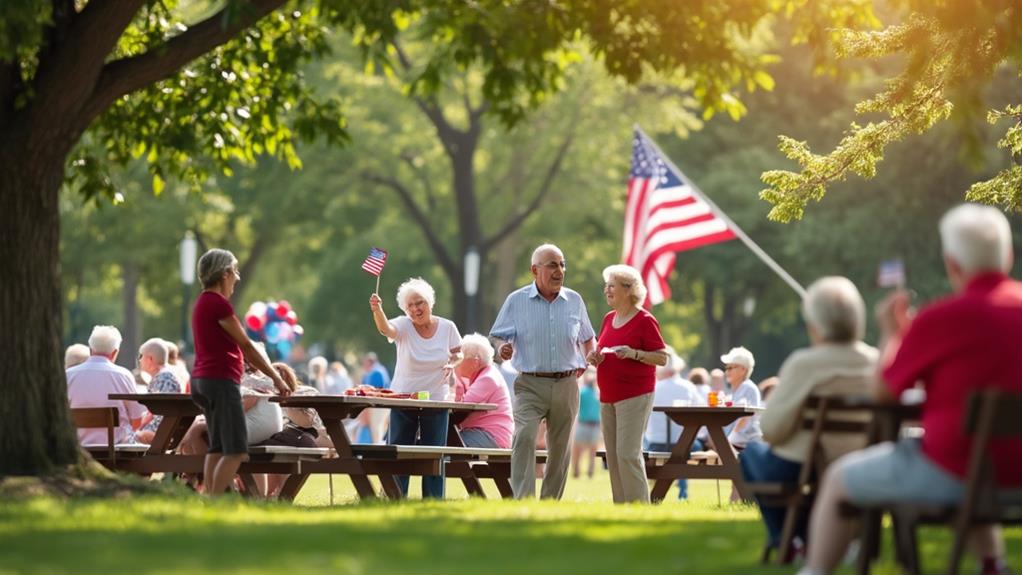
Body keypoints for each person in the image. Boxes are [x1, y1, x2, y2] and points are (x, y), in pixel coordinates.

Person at [798, 204, 1022, 575]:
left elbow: (883, 392)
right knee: (980, 455)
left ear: (952, 263)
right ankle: (991, 564)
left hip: (956, 471)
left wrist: (891, 335)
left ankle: (815, 571)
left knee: (838, 478)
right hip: (1009, 467)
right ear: (1008, 255)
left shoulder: (941, 318)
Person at [739, 276, 877, 558]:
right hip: (862, 462)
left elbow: (771, 428)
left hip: (802, 465)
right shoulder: (877, 360)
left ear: (815, 325)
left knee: (751, 452)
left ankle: (791, 540)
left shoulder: (805, 363)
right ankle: (815, 540)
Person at [490, 243, 596, 500]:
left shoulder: (575, 300)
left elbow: (588, 337)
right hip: (529, 383)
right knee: (524, 436)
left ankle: (550, 502)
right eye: (552, 265)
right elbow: (496, 336)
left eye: (562, 264)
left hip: (567, 383)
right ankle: (522, 499)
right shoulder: (516, 301)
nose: (559, 270)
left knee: (560, 448)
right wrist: (503, 346)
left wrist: (589, 354)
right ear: (535, 270)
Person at [190, 248, 289, 497]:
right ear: (224, 274)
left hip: (203, 381)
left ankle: (209, 500)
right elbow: (246, 343)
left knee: (218, 447)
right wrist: (275, 377)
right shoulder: (218, 304)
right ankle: (213, 500)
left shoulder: (202, 302)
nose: (237, 277)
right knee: (236, 451)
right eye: (234, 271)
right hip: (221, 382)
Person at [369, 277, 461, 499]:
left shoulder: (447, 327)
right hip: (404, 397)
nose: (415, 309)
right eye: (409, 305)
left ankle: (433, 500)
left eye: (419, 302)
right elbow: (386, 330)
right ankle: (394, 497)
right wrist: (377, 310)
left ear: (430, 302)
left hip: (436, 398)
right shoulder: (403, 325)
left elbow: (459, 353)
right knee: (400, 451)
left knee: (434, 453)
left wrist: (452, 363)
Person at [586, 264, 668, 503]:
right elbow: (601, 349)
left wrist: (634, 353)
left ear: (629, 289)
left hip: (635, 395)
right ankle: (622, 507)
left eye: (612, 286)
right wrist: (595, 357)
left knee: (627, 454)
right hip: (607, 395)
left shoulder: (645, 319)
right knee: (612, 455)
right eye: (606, 286)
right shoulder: (609, 318)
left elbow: (662, 357)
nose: (607, 290)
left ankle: (639, 506)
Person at [66, 325, 147, 445]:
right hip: (117, 447)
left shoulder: (68, 375)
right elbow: (137, 420)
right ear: (115, 352)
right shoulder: (123, 375)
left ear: (90, 349)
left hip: (77, 445)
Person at [644, 349, 704, 500]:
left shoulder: (654, 387)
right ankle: (683, 491)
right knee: (687, 446)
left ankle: (655, 490)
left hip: (656, 443)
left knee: (647, 442)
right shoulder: (689, 388)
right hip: (683, 443)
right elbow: (701, 414)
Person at [451, 333, 513, 449]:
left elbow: (463, 407)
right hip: (482, 433)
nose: (457, 362)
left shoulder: (488, 378)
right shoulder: (482, 376)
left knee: (448, 442)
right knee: (448, 440)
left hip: (491, 435)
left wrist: (455, 375)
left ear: (475, 362)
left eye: (461, 358)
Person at [136, 337, 183, 441]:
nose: (140, 360)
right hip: (164, 434)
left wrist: (137, 434)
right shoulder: (165, 375)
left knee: (121, 437)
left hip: (160, 437)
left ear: (150, 359)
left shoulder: (164, 378)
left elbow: (160, 419)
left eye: (141, 356)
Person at [719, 346, 763, 448]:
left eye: (730, 368)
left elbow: (745, 419)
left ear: (743, 370)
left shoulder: (747, 388)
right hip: (739, 444)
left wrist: (726, 441)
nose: (727, 372)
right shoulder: (739, 389)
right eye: (726, 368)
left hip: (746, 445)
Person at [572, 367, 601, 479]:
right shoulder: (582, 391)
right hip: (583, 423)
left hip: (595, 424)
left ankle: (590, 471)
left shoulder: (597, 392)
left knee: (593, 450)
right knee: (577, 449)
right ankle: (576, 471)